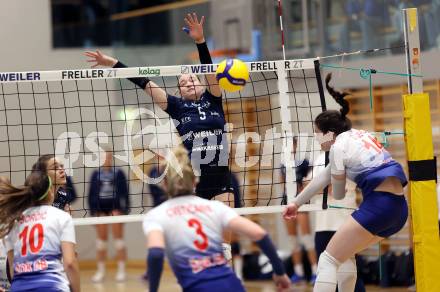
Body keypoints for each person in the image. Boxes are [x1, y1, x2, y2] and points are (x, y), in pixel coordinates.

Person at [84, 13, 234, 204]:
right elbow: (143, 82)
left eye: (192, 78)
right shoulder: (177, 106)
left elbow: (208, 68)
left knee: (227, 232)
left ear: (201, 83)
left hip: (221, 177)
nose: (189, 82)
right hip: (193, 180)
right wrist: (114, 64)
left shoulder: (214, 97)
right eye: (183, 82)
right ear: (179, 91)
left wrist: (200, 41)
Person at [283, 73, 408, 292]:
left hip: (379, 206)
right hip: (398, 210)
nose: (316, 138)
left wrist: (337, 181)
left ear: (329, 133)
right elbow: (325, 177)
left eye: (317, 133)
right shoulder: (360, 135)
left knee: (328, 260)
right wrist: (297, 203)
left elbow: (337, 194)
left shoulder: (338, 148)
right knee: (344, 257)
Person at [142, 146, 291, 292]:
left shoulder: (157, 215)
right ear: (195, 181)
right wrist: (280, 272)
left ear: (165, 183)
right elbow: (260, 234)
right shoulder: (215, 207)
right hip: (233, 286)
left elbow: (156, 254)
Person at [0, 158, 80, 292]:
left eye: (61, 166)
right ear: (43, 175)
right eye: (55, 167)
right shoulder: (30, 203)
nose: (61, 169)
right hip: (18, 261)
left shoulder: (62, 196)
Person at [311, 152, 365, 292]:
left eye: (318, 132)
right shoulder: (319, 158)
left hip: (345, 223)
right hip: (323, 225)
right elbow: (308, 186)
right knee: (328, 273)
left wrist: (318, 186)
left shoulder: (349, 156)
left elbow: (331, 189)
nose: (317, 136)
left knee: (347, 274)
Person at [88, 150, 129, 282]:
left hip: (115, 208)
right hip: (100, 209)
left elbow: (125, 193)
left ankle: (121, 270)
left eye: (108, 156)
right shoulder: (95, 174)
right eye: (103, 157)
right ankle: (100, 271)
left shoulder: (118, 173)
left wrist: (125, 211)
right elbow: (90, 194)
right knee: (101, 242)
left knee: (119, 241)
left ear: (111, 157)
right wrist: (93, 213)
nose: (106, 159)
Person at [281, 137, 318, 283]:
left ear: (296, 145)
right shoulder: (283, 164)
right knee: (292, 240)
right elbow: (282, 183)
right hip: (287, 202)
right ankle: (298, 273)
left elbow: (309, 182)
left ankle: (315, 272)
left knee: (307, 239)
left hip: (301, 203)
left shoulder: (304, 162)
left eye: (292, 144)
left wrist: (299, 192)